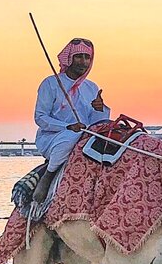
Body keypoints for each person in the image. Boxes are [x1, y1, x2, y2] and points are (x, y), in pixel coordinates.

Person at [33, 37, 110, 201]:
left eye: (87, 57)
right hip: (55, 137)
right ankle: (49, 174)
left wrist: (99, 109)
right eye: (79, 56)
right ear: (69, 58)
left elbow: (96, 122)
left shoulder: (91, 87)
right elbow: (40, 118)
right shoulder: (51, 83)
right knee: (72, 137)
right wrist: (68, 127)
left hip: (85, 136)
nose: (83, 62)